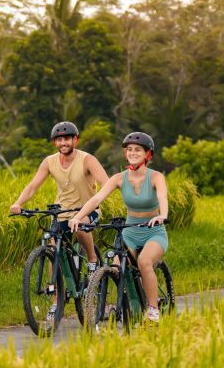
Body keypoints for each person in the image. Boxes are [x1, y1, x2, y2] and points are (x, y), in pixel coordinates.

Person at [10, 121, 109, 319]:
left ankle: (92, 259)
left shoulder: (87, 160)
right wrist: (18, 203)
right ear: (55, 142)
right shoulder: (49, 161)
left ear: (75, 140)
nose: (63, 142)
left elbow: (106, 184)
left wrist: (93, 203)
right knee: (52, 246)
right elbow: (32, 186)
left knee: (80, 227)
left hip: (87, 210)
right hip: (62, 212)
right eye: (59, 139)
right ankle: (56, 300)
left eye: (67, 139)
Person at [68, 132, 168, 323]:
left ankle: (153, 309)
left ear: (148, 154)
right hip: (129, 232)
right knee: (114, 264)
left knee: (144, 262)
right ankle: (128, 302)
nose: (132, 153)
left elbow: (163, 197)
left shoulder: (156, 177)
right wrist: (78, 217)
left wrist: (162, 216)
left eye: (137, 150)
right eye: (129, 150)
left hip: (153, 231)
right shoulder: (119, 178)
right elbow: (97, 198)